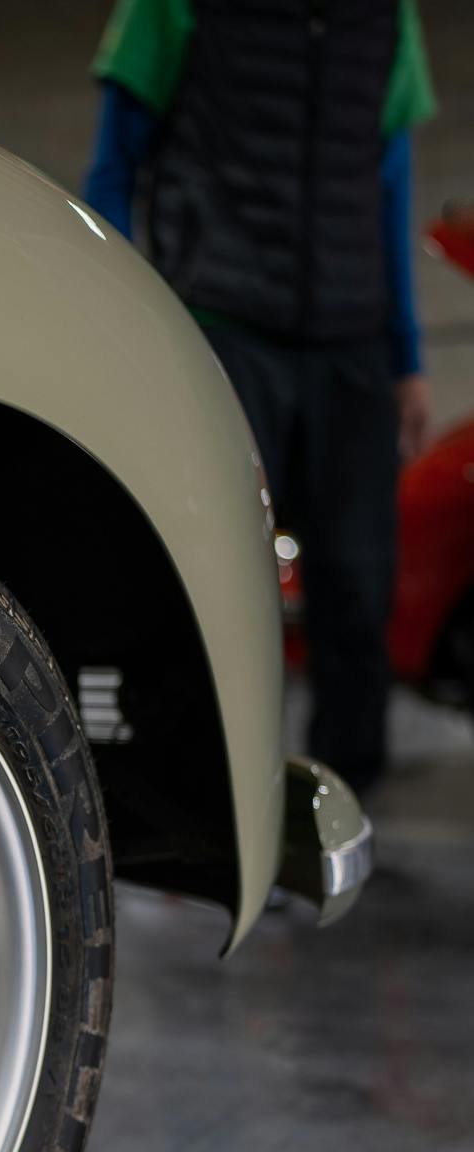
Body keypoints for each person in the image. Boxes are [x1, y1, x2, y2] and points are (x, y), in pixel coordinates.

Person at [84, 0, 437, 796]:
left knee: (356, 589)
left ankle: (344, 801)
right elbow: (112, 172)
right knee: (219, 589)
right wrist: (126, 331)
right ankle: (204, 811)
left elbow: (388, 184)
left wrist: (404, 358)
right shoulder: (170, 8)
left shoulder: (386, 17)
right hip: (224, 330)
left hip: (350, 344)